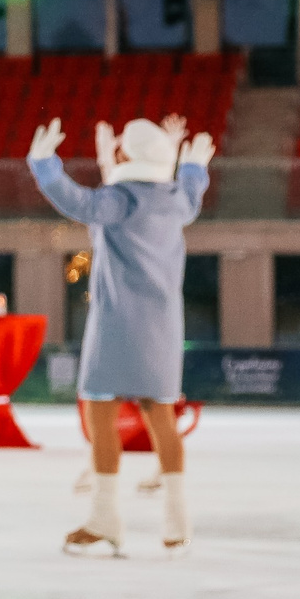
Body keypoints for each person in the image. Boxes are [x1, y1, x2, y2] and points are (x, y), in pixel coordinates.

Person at [26, 113, 213, 556]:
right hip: (163, 323)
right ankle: (177, 519)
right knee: (160, 415)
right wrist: (189, 165)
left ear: (129, 156)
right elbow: (190, 188)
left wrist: (43, 162)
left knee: (100, 408)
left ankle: (105, 515)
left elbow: (78, 203)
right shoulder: (175, 202)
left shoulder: (121, 200)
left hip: (117, 320)